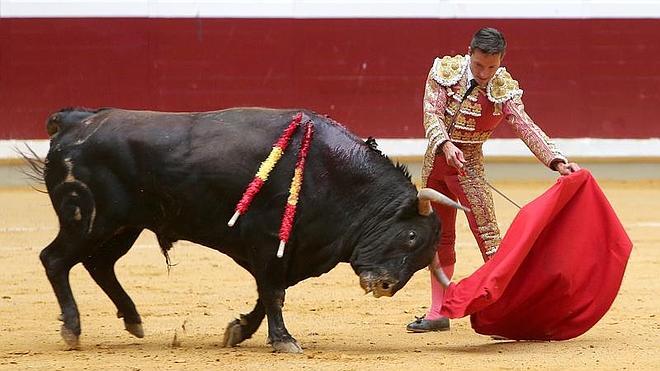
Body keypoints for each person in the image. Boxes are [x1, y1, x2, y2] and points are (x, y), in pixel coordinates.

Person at [407, 27, 581, 332]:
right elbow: (430, 114)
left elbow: (527, 127)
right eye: (478, 66)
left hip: (469, 167)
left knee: (488, 237)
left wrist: (557, 160)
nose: (485, 73)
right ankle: (439, 311)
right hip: (436, 163)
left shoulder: (503, 89)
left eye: (492, 67)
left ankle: (506, 308)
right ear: (470, 53)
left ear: (501, 61)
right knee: (438, 237)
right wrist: (445, 144)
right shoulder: (445, 72)